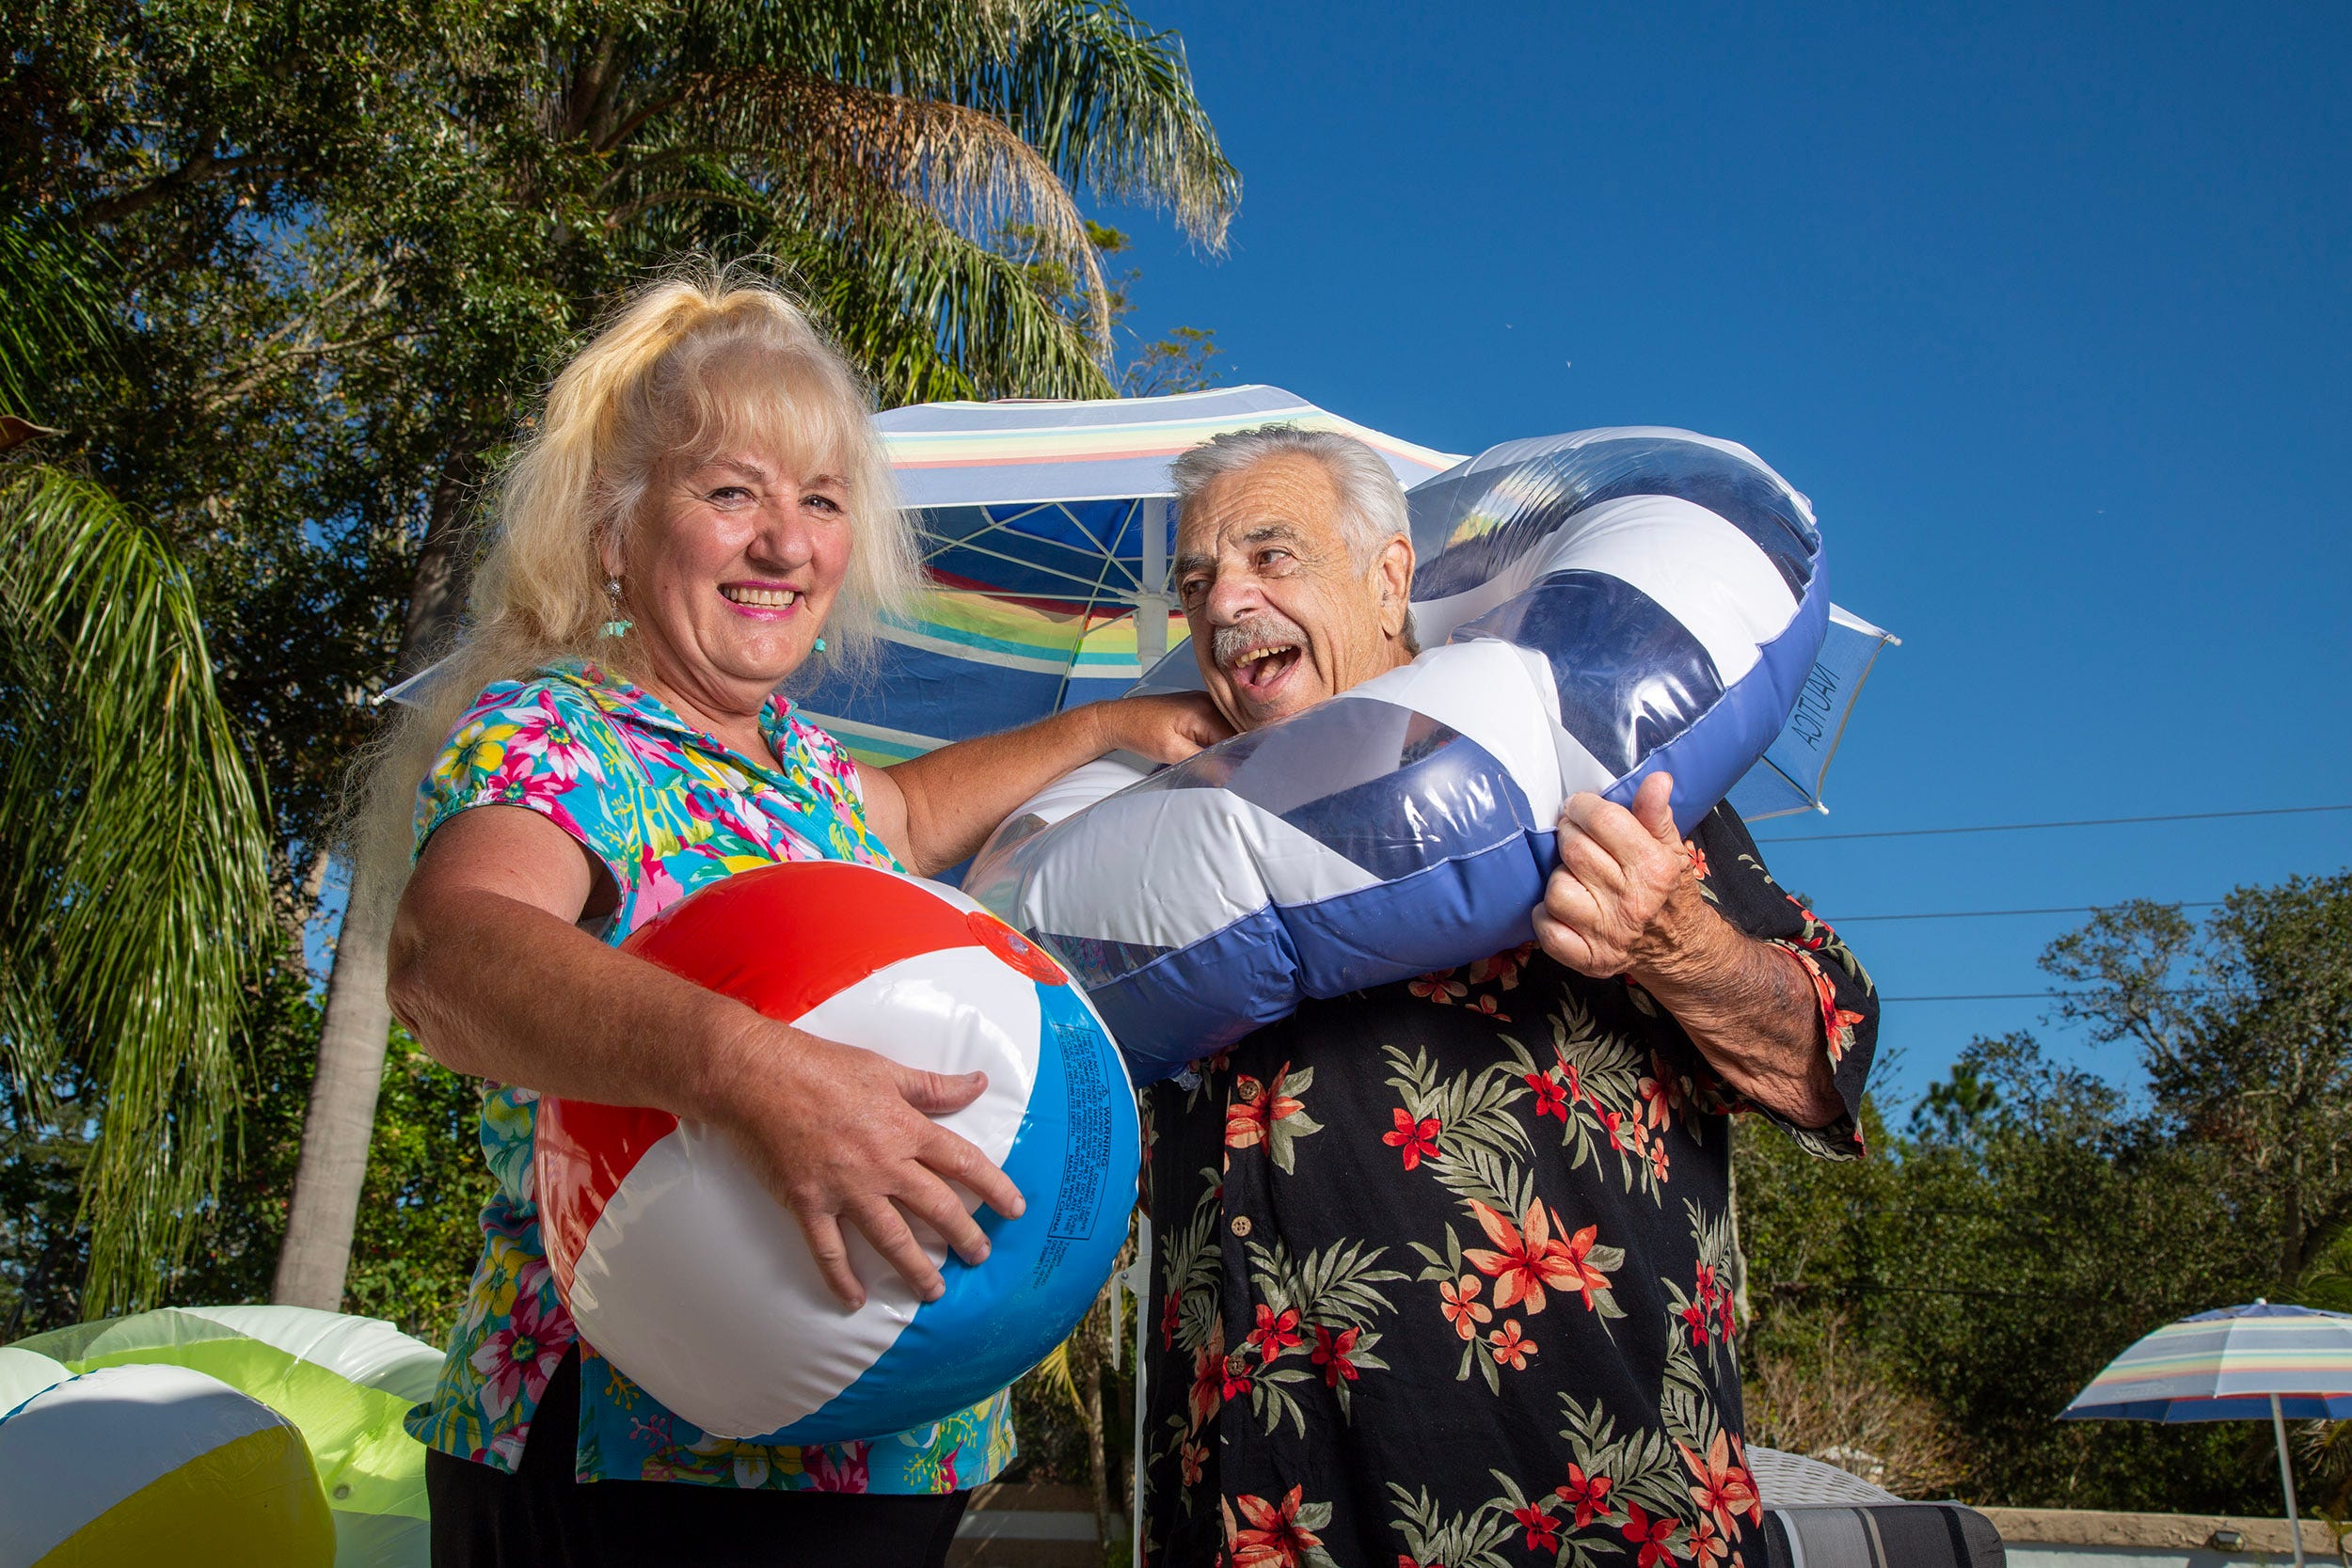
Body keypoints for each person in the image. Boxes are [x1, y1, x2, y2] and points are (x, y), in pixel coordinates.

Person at [371, 268, 1228, 1567]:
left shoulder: (806, 770)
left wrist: (1106, 723)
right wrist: (754, 1072)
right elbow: (452, 951)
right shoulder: (558, 733)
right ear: (616, 531)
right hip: (637, 1463)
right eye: (731, 493)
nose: (785, 542)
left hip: (888, 1453)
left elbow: (908, 807)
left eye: (820, 501)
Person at [1136, 427, 1878, 1568]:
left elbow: (1823, 1045)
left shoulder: (1566, 757)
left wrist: (1672, 937)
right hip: (1245, 1512)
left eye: (1270, 556)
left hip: (1573, 1506)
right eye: (1195, 580)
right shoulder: (1155, 860)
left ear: (1389, 576)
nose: (1224, 600)